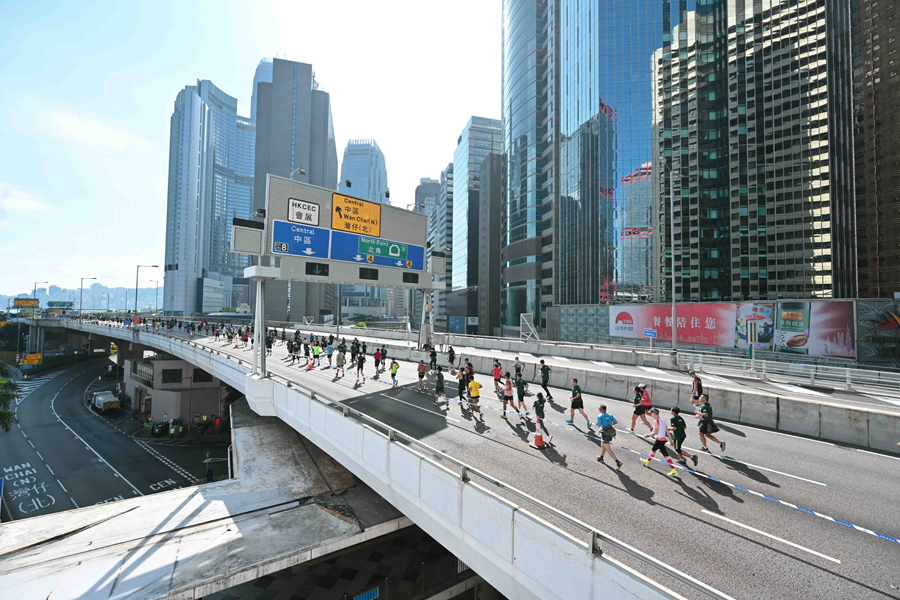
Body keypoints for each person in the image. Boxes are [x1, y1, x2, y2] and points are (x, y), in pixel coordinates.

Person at [640, 408, 679, 476]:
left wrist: (648, 435)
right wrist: (671, 440)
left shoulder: (656, 421)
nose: (651, 415)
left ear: (654, 414)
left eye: (651, 413)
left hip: (660, 440)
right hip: (662, 440)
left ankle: (673, 470)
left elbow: (656, 432)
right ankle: (647, 461)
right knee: (653, 450)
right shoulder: (663, 421)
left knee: (666, 455)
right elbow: (667, 431)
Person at [595, 405, 623, 469]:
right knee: (602, 445)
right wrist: (610, 424)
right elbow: (615, 422)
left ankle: (618, 462)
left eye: (599, 409)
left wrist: (596, 424)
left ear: (601, 410)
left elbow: (599, 424)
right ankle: (601, 458)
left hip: (604, 433)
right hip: (609, 433)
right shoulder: (610, 415)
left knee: (608, 449)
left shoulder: (599, 416)